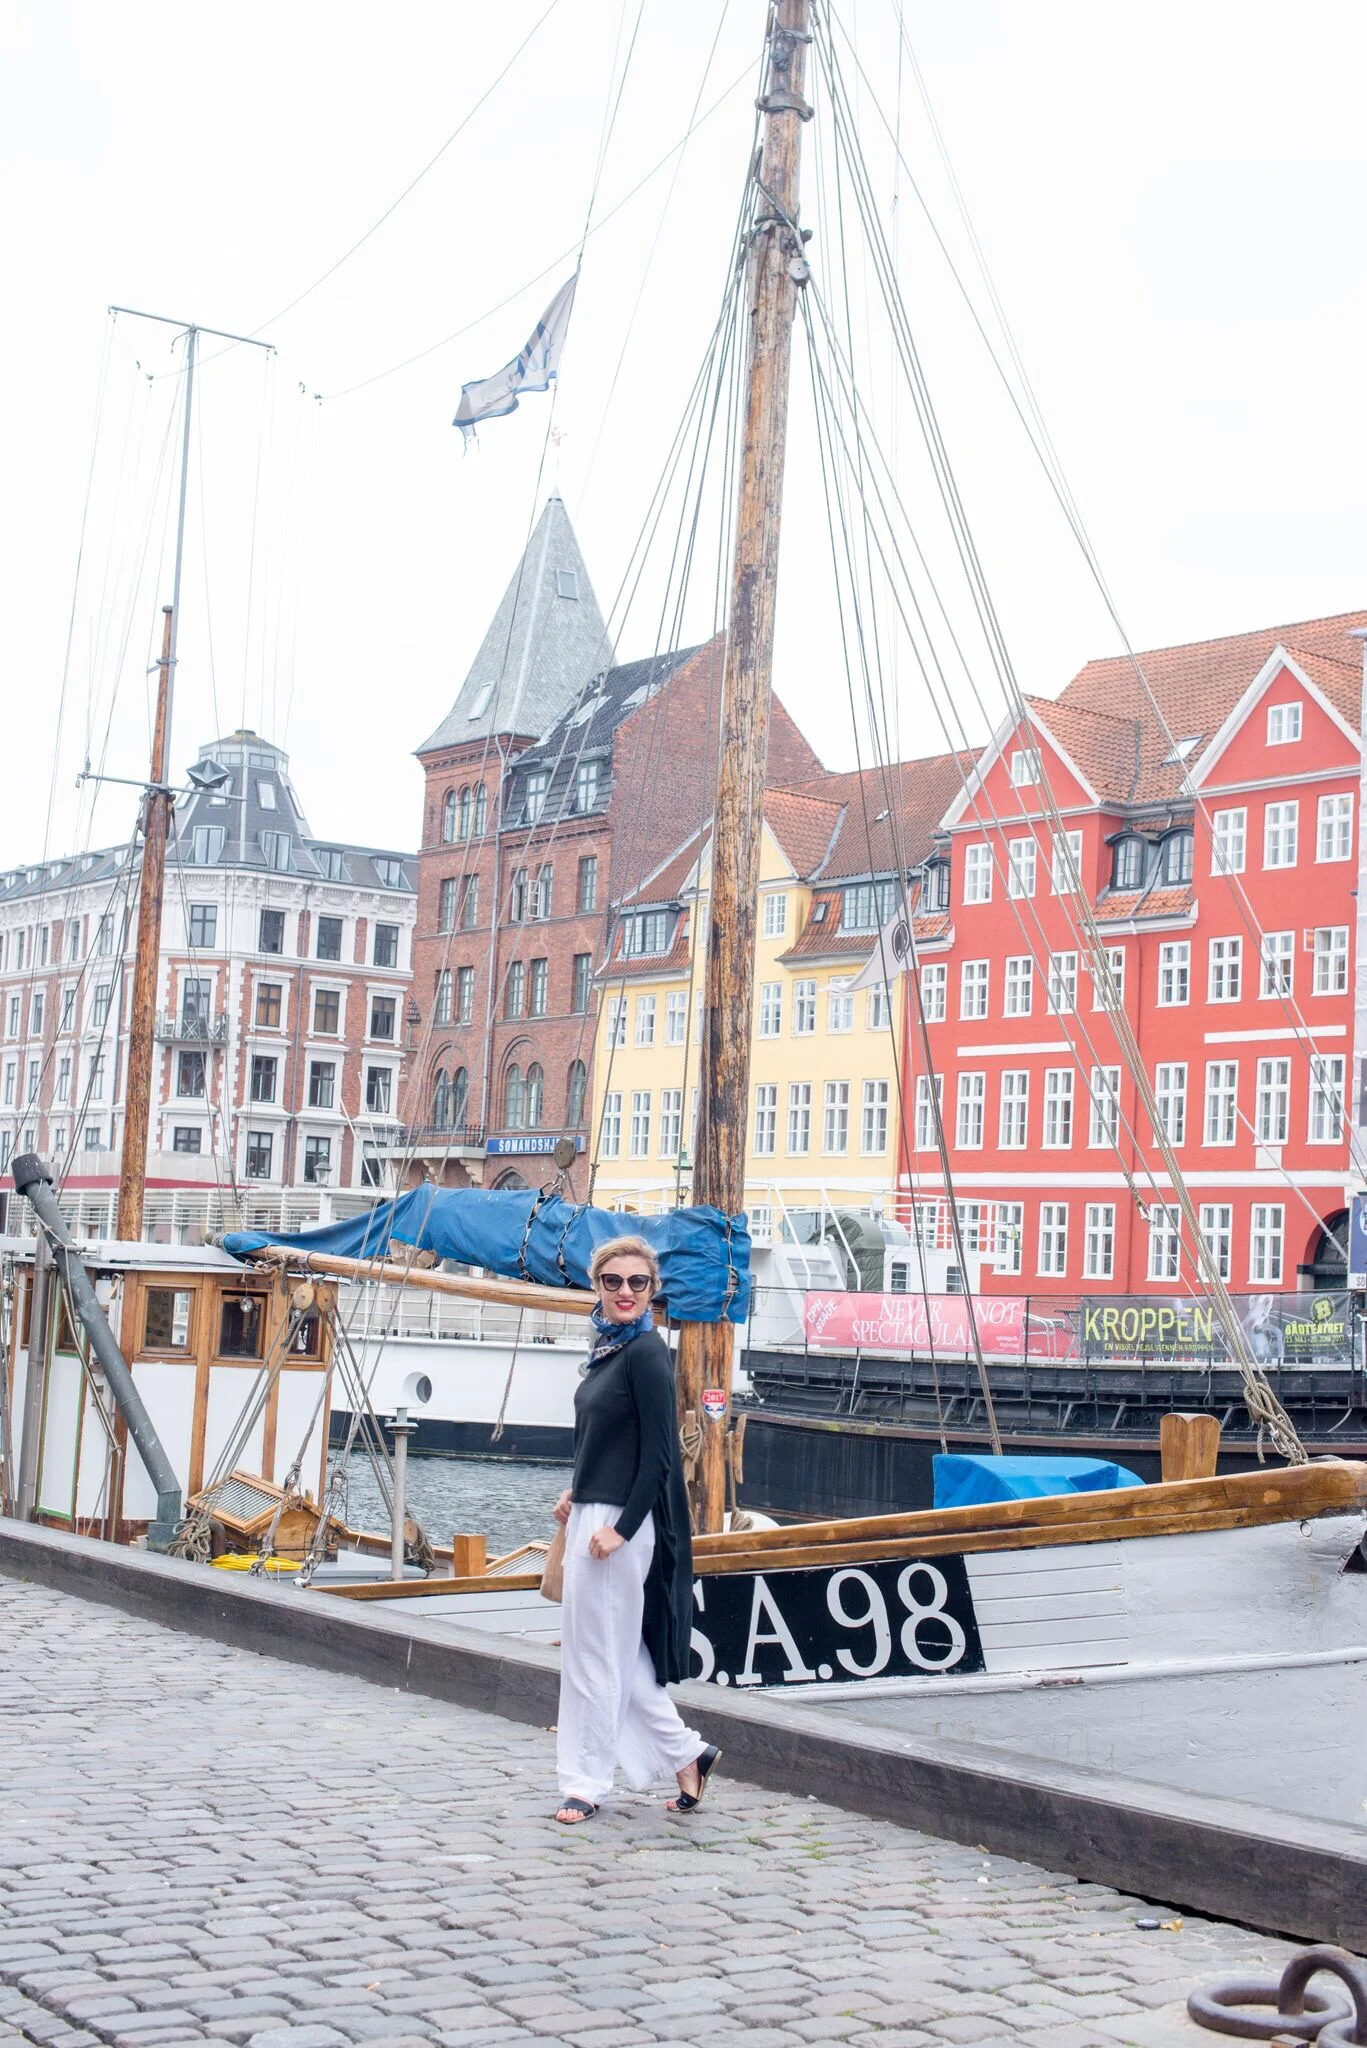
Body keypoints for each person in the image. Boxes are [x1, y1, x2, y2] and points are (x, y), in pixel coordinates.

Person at [552, 1233, 721, 1824]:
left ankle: (588, 1782)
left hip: (621, 1526)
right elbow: (607, 1444)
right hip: (594, 1513)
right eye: (613, 1281)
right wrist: (577, 1493)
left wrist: (620, 1530)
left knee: (596, 1661)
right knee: (612, 1655)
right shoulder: (608, 1350)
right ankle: (687, 1754)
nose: (625, 1292)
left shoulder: (647, 1352)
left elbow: (660, 1458)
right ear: (596, 1285)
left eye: (638, 1282)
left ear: (653, 1290)